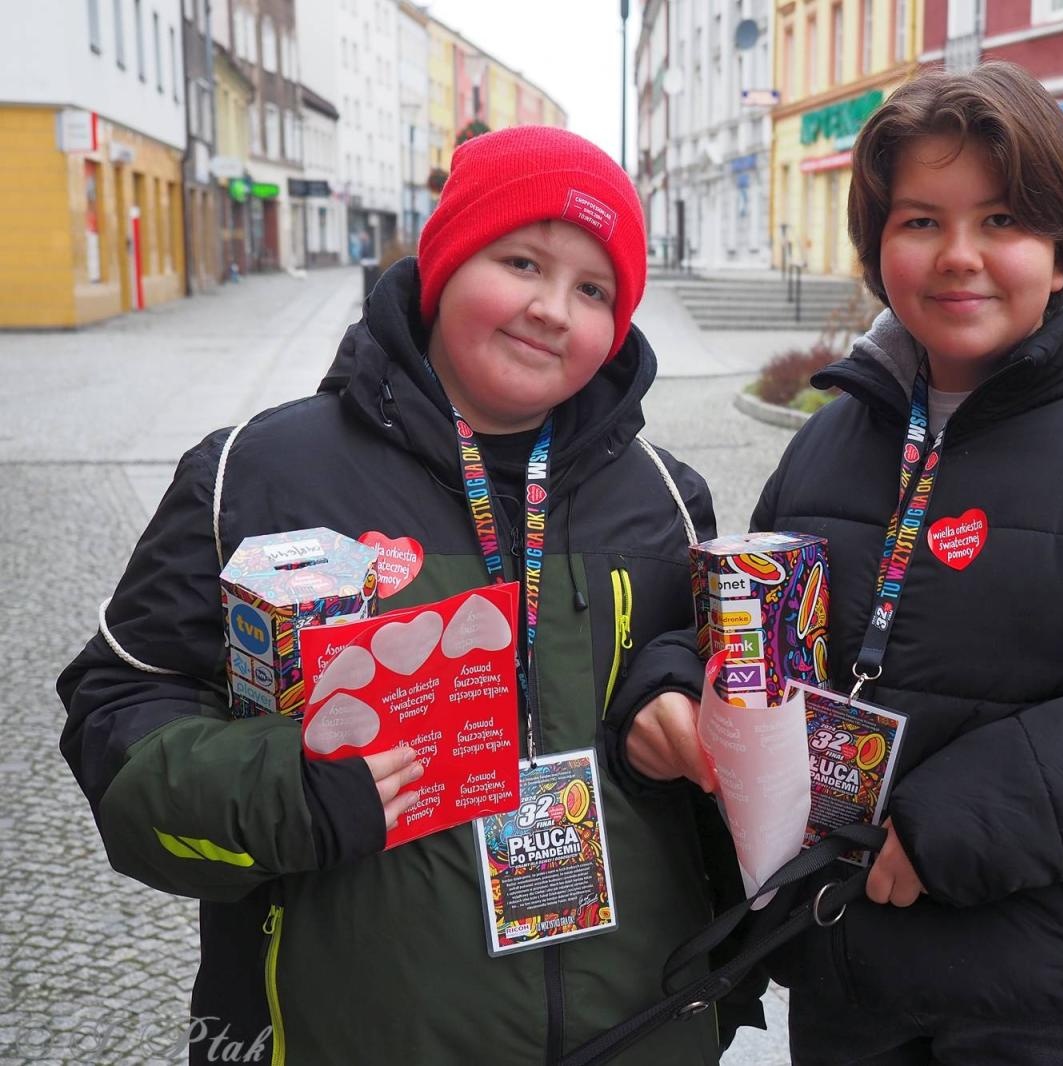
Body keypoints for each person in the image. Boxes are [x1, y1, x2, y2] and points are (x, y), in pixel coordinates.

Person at [622, 61, 1063, 1063]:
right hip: (850, 975)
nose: (959, 256)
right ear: (876, 244)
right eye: (920, 221)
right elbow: (753, 631)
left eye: (1001, 221)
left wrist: (949, 826)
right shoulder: (828, 443)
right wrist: (671, 686)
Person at [58, 125, 756, 1065]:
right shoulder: (256, 475)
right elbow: (116, 715)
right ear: (444, 261)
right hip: (363, 1030)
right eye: (521, 262)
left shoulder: (665, 496)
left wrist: (665, 690)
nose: (554, 309)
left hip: (639, 1025)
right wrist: (286, 793)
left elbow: (704, 669)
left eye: (595, 290)